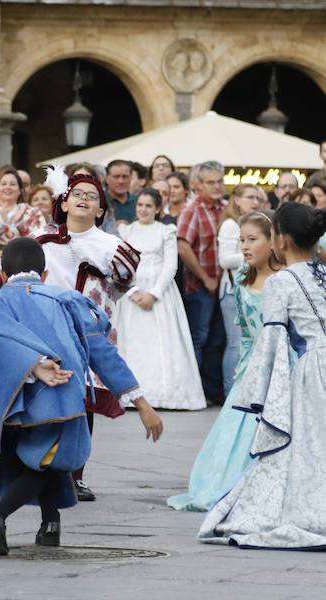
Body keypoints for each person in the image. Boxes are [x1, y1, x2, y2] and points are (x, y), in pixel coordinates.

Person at [0, 237, 163, 555]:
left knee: (43, 463)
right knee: (52, 461)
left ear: (2, 276)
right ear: (44, 275)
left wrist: (30, 367)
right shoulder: (66, 299)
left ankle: (50, 524)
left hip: (11, 402)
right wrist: (140, 402)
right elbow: (100, 349)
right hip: (60, 396)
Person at [0, 165, 141, 502]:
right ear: (65, 200)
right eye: (78, 194)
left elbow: (125, 282)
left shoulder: (110, 244)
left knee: (82, 399)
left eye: (92, 196)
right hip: (42, 327)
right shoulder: (42, 237)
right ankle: (32, 466)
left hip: (84, 329)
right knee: (42, 395)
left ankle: (75, 473)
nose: (84, 199)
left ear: (102, 209)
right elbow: (9, 268)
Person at [199, 203, 326, 549]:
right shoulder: (324, 273)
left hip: (312, 370)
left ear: (280, 239)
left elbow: (270, 342)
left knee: (306, 444)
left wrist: (257, 394)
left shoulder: (281, 281)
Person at [169, 211, 283, 512]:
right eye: (241, 240)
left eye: (252, 239)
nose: (244, 246)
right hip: (251, 367)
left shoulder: (284, 280)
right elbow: (245, 334)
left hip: (283, 364)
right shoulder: (244, 280)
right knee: (237, 429)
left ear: (272, 242)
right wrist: (244, 368)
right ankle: (226, 483)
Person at [114, 189, 205, 410]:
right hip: (131, 295)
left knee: (162, 341)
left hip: (160, 294)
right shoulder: (127, 231)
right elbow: (118, 264)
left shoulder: (166, 231)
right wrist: (133, 291)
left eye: (148, 205)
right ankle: (130, 393)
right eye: (140, 205)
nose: (143, 209)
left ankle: (164, 394)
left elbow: (170, 265)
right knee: (133, 341)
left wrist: (154, 293)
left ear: (157, 208)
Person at [178, 161, 227, 404]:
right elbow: (183, 246)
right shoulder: (192, 209)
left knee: (218, 339)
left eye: (220, 181)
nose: (217, 186)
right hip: (200, 287)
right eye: (211, 182)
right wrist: (205, 277)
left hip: (223, 286)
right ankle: (196, 392)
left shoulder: (226, 207)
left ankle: (211, 390)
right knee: (199, 338)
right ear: (198, 184)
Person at [217, 184, 261, 395]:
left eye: (257, 198)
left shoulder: (250, 223)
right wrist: (255, 251)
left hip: (248, 287)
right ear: (236, 199)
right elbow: (224, 260)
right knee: (235, 343)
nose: (255, 202)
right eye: (250, 197)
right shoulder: (230, 225)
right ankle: (230, 391)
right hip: (232, 290)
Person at [106, 159, 137, 226]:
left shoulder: (139, 202)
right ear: (107, 179)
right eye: (116, 177)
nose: (121, 181)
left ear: (131, 178)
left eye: (125, 176)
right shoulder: (99, 202)